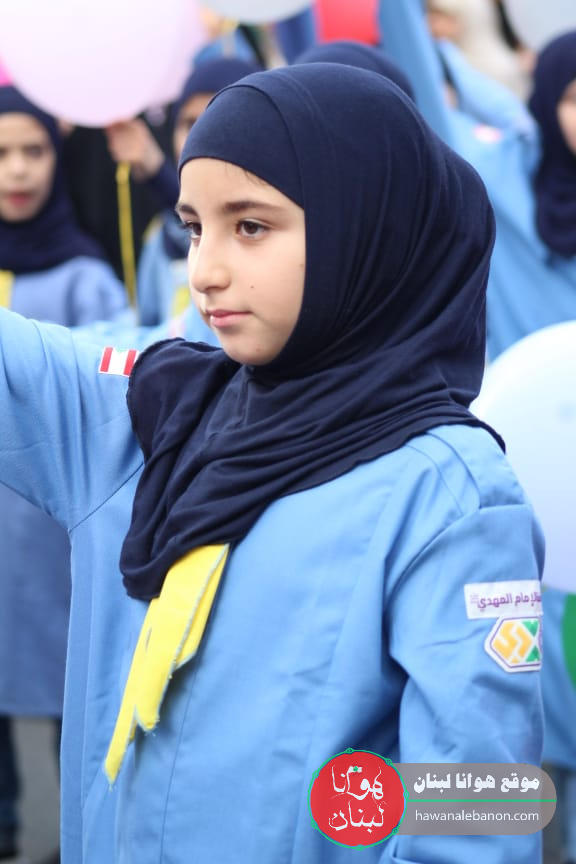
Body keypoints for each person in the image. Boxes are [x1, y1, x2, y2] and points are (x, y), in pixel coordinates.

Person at [0, 63, 543, 862]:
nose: (206, 270)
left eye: (250, 226)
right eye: (194, 228)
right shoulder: (159, 413)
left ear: (367, 228)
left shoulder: (452, 494)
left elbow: (483, 806)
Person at [0, 85, 128, 863]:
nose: (17, 169)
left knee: (71, 692)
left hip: (49, 540)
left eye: (34, 150)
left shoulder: (85, 278)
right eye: (1, 152)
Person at [105, 56, 262, 327]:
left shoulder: (266, 230)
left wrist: (156, 171)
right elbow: (146, 332)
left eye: (222, 120)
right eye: (190, 124)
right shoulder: (159, 239)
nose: (203, 137)